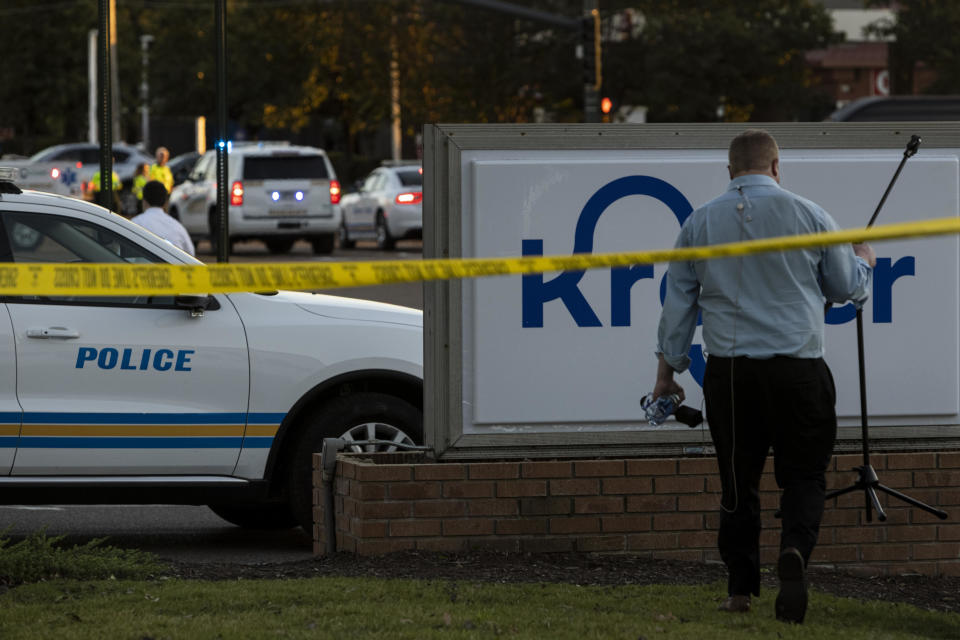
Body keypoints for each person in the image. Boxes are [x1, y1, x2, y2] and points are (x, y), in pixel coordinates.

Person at [653, 129, 875, 624]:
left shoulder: (699, 223)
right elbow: (845, 289)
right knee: (804, 475)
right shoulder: (811, 215)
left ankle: (738, 591)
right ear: (777, 167)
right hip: (799, 370)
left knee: (737, 484)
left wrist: (666, 376)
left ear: (730, 171)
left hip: (732, 376)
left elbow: (677, 311)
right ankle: (794, 551)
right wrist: (864, 261)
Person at [131, 180, 195, 256]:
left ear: (144, 201)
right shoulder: (178, 227)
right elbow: (191, 255)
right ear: (165, 203)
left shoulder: (133, 224)